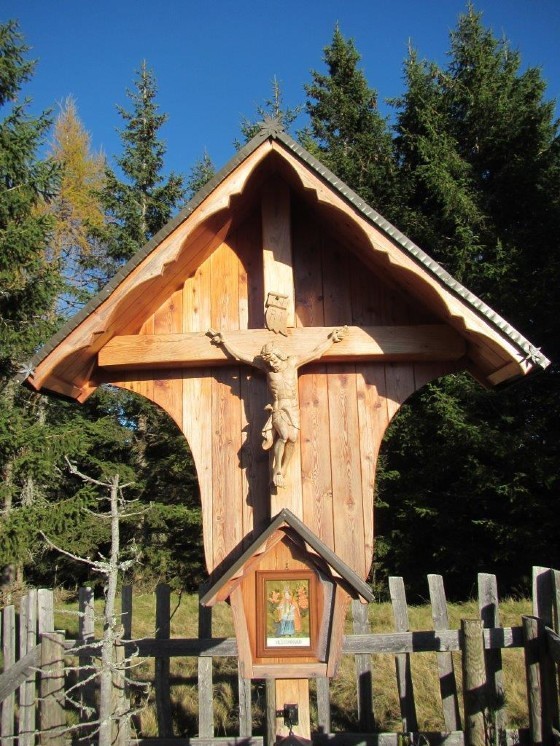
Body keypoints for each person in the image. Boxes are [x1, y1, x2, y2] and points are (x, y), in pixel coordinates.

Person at [207, 325, 348, 487]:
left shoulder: (292, 363)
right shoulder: (266, 368)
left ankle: (283, 469)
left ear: (279, 356)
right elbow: (240, 356)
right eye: (268, 361)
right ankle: (277, 469)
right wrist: (224, 342)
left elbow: (315, 353)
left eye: (273, 360)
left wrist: (331, 340)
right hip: (278, 408)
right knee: (284, 436)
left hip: (292, 408)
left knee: (293, 439)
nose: (272, 364)